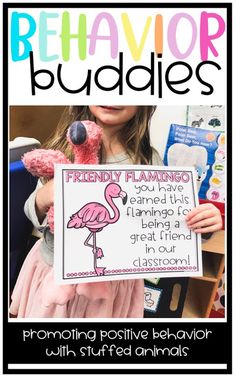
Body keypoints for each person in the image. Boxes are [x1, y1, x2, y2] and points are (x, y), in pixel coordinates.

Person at [9, 106, 223, 318]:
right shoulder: (62, 150)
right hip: (55, 276)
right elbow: (32, 213)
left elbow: (164, 227)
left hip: (114, 288)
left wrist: (202, 223)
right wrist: (45, 195)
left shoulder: (148, 160)